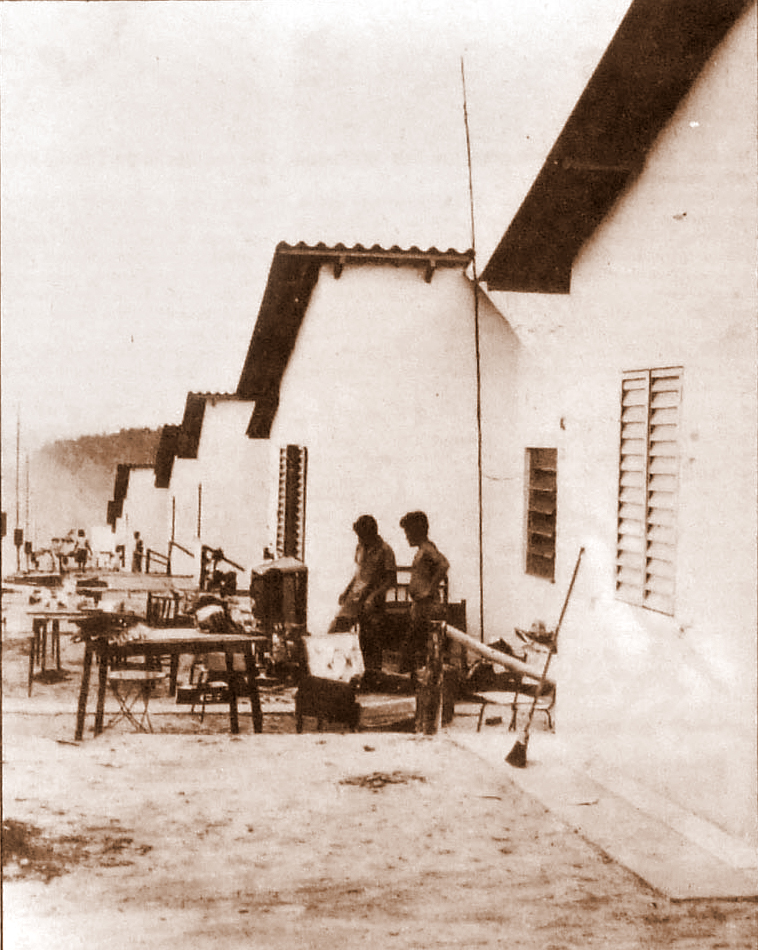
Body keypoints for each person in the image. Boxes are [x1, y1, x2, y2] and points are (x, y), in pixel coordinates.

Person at [328, 515, 397, 685]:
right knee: (336, 629)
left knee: (369, 640)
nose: (359, 539)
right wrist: (346, 591)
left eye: (362, 535)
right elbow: (358, 573)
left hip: (373, 600)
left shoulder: (385, 550)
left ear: (372, 533)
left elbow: (391, 579)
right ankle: (334, 673)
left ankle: (372, 679)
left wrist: (374, 596)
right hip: (355, 596)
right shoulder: (359, 547)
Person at [399, 510, 450, 673]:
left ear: (416, 531)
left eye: (408, 532)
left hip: (427, 608)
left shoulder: (427, 548)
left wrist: (429, 590)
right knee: (414, 648)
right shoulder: (423, 549)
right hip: (420, 607)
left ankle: (409, 677)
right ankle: (412, 678)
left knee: (412, 648)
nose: (406, 536)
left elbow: (444, 564)